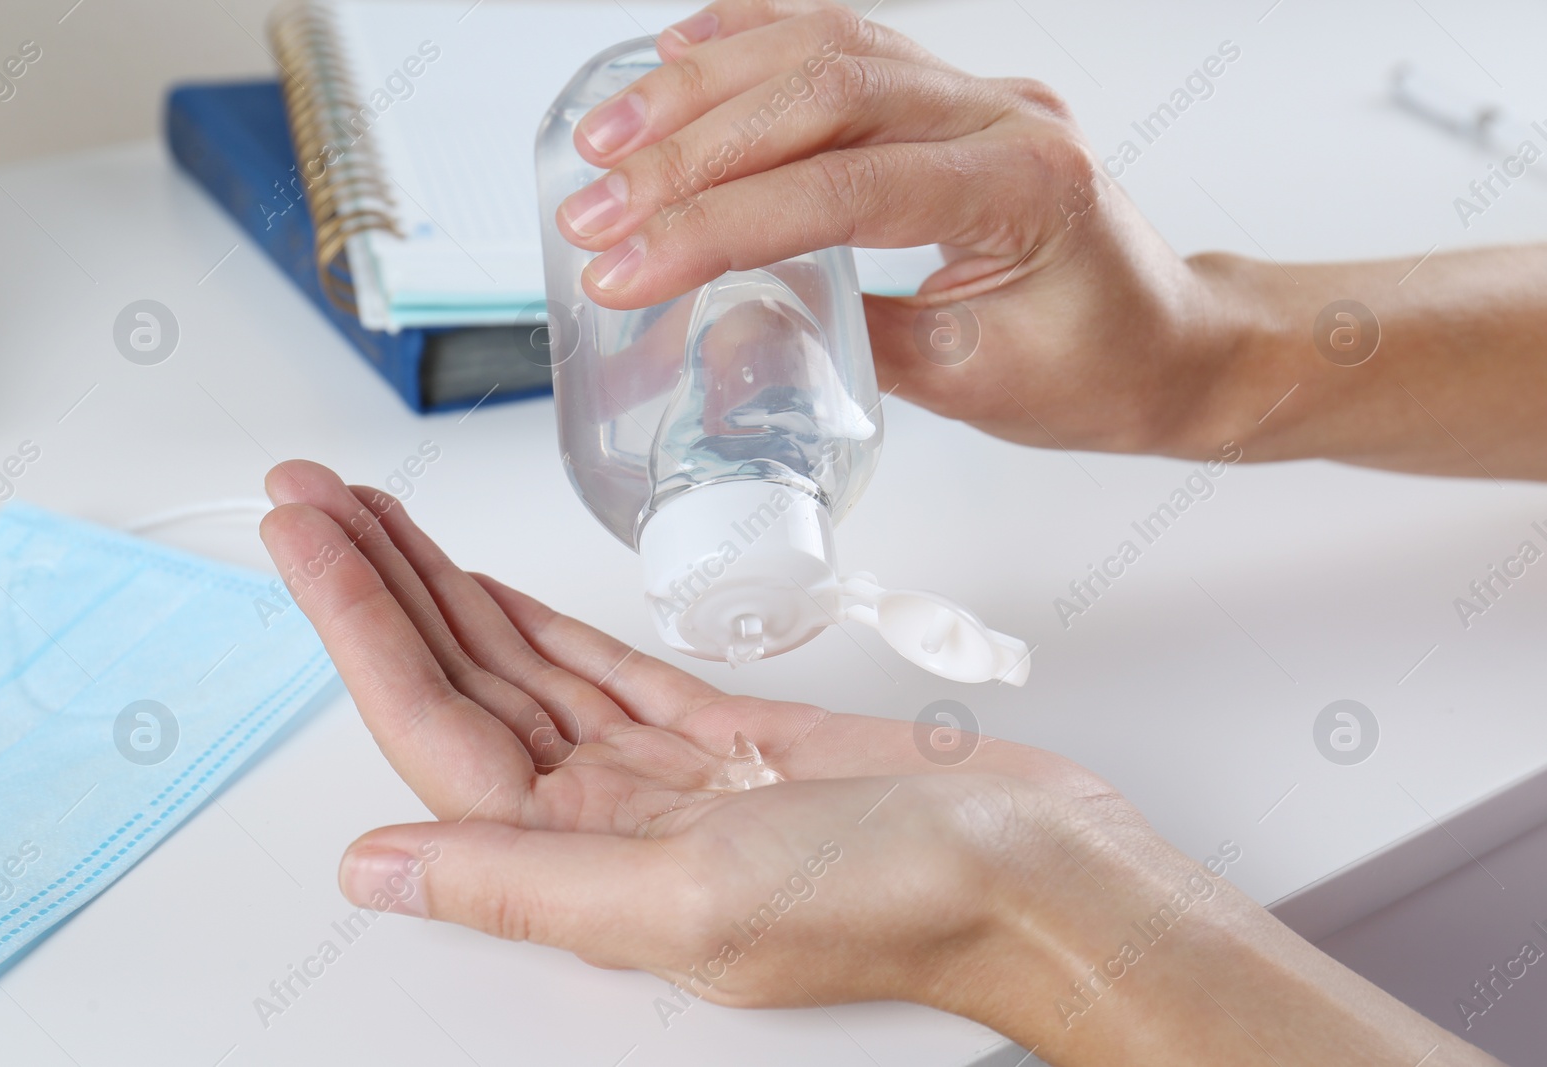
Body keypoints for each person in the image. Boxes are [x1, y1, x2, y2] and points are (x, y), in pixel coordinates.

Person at [259, 2, 1537, 1062]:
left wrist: (1029, 910)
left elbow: (1030, 904)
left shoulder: (638, 467)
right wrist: (1202, 352)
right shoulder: (799, 446)